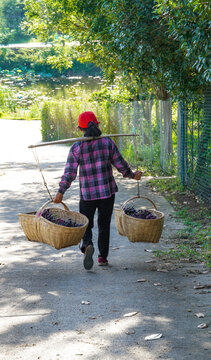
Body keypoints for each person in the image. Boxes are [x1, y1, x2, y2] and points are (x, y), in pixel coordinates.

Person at [54, 111, 142, 270]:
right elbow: (121, 165)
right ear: (98, 125)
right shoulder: (107, 143)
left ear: (79, 129)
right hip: (107, 193)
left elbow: (70, 173)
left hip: (88, 195)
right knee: (104, 224)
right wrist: (132, 175)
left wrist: (61, 192)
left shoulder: (77, 147)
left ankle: (87, 245)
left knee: (85, 224)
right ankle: (103, 257)